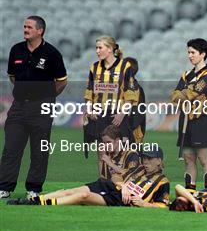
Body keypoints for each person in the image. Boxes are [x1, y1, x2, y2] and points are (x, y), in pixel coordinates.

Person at [0, 16, 67, 199]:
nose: (25, 29)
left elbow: (62, 81)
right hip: (19, 107)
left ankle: (34, 189)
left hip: (41, 109)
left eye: (29, 27)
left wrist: (46, 97)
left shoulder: (52, 53)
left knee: (39, 151)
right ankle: (4, 187)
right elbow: (12, 77)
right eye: (24, 26)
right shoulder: (16, 50)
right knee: (11, 148)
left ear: (40, 31)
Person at [8, 147, 169, 208]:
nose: (145, 161)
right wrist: (124, 186)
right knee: (70, 190)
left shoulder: (163, 182)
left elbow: (163, 205)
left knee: (82, 196)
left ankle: (43, 205)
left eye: (150, 159)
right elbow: (117, 176)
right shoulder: (138, 169)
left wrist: (143, 204)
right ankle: (33, 201)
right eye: (144, 158)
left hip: (121, 200)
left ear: (159, 161)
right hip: (112, 187)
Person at [83, 36, 139, 171]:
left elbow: (131, 93)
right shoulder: (94, 67)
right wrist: (90, 110)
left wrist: (122, 113)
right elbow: (89, 92)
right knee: (102, 153)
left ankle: (120, 184)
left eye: (100, 48)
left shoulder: (125, 66)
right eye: (96, 48)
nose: (97, 51)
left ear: (110, 49)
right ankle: (103, 184)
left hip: (117, 116)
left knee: (121, 152)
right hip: (99, 116)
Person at [171, 38, 207, 192]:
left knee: (205, 160)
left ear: (203, 54)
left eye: (193, 52)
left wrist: (185, 93)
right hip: (185, 120)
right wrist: (185, 94)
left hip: (201, 120)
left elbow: (191, 93)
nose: (190, 55)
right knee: (188, 160)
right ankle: (189, 192)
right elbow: (174, 96)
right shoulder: (186, 74)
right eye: (188, 52)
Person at [124, 57, 146, 144]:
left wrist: (126, 131)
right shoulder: (121, 87)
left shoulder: (137, 89)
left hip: (133, 133)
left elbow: (138, 114)